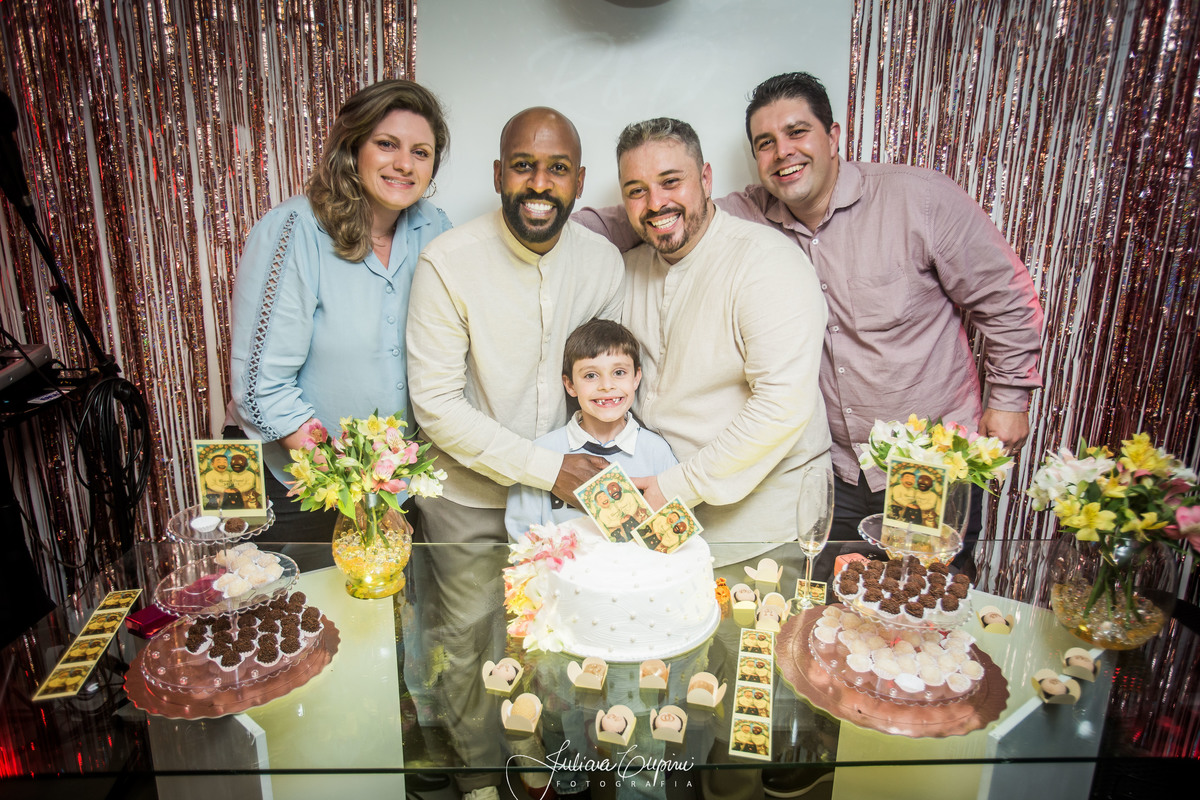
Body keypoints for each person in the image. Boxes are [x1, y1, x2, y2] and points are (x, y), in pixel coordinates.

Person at [578, 72, 1043, 556]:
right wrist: (555, 222)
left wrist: (1010, 399)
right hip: (834, 469)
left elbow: (1006, 295)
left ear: (833, 136)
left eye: (797, 132)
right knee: (837, 597)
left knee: (916, 591)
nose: (783, 153)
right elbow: (649, 213)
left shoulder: (917, 199)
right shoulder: (742, 211)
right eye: (765, 143)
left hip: (922, 459)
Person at [405, 107, 624, 800]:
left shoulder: (603, 262)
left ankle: (543, 760)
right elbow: (437, 405)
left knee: (558, 634)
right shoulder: (448, 262)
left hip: (563, 505)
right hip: (468, 495)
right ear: (499, 173)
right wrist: (550, 469)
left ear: (579, 180)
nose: (539, 183)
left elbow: (607, 381)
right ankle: (477, 777)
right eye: (524, 166)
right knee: (468, 638)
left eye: (557, 168)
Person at [226, 79, 452, 539]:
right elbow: (259, 389)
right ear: (352, 148)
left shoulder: (436, 228)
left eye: (421, 152)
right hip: (284, 479)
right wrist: (354, 490)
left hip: (389, 487)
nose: (404, 164)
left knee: (388, 589)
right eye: (386, 144)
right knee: (272, 587)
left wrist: (379, 490)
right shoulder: (293, 229)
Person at [613, 117, 831, 568]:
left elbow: (781, 406)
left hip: (763, 536)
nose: (655, 203)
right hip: (661, 531)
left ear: (706, 179)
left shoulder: (766, 262)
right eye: (636, 190)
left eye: (671, 182)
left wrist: (674, 487)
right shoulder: (627, 269)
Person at [504, 319, 677, 539]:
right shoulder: (542, 452)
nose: (606, 385)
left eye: (619, 372)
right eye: (591, 375)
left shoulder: (657, 452)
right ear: (570, 385)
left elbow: (673, 535)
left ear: (636, 378)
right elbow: (522, 539)